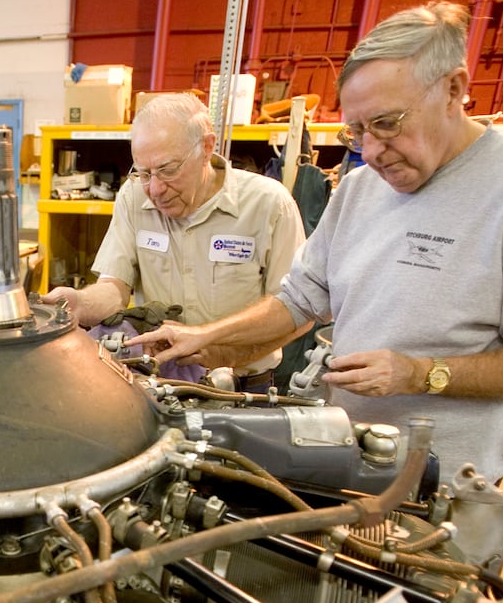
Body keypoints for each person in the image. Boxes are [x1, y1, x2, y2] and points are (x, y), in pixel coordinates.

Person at [128, 0, 503, 484]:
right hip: (347, 449)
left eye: (387, 124)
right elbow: (302, 297)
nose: (372, 150)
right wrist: (207, 335)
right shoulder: (363, 187)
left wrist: (421, 374)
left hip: (441, 476)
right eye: (357, 131)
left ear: (454, 89)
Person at [44, 92, 306, 387]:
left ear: (207, 147)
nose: (155, 189)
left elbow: (296, 310)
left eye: (168, 170)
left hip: (245, 387)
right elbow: (115, 287)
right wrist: (79, 303)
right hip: (159, 384)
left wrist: (221, 351)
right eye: (143, 173)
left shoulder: (268, 204)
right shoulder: (132, 197)